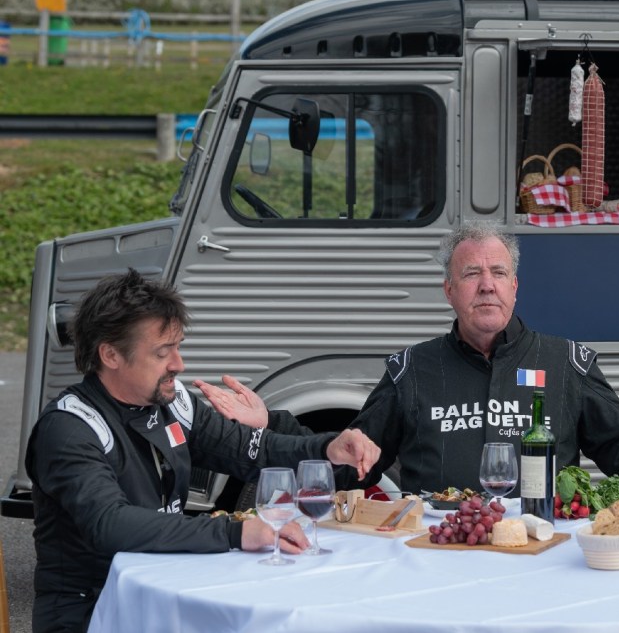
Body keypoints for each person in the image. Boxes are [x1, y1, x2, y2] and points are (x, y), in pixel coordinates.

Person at [201, 222, 619, 496]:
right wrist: (267, 424)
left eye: (497, 274)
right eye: (471, 274)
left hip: (544, 561)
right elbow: (353, 460)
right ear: (450, 291)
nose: (486, 287)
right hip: (434, 557)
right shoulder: (411, 370)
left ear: (516, 288)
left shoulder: (567, 363)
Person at [26, 269, 380, 633]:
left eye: (178, 347)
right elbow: (110, 523)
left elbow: (255, 451)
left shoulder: (173, 401)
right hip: (92, 611)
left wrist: (329, 448)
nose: (178, 364)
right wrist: (235, 533)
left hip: (163, 592)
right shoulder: (70, 428)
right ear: (111, 355)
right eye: (163, 352)